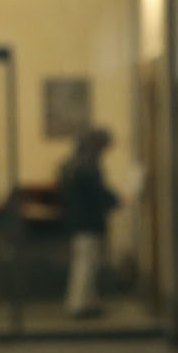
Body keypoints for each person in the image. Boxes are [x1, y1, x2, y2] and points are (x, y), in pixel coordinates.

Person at [59, 128, 118, 318]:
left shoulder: (72, 164)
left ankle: (86, 302)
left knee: (85, 263)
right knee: (85, 264)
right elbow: (96, 192)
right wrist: (115, 200)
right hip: (88, 221)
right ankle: (79, 305)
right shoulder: (87, 167)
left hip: (78, 220)